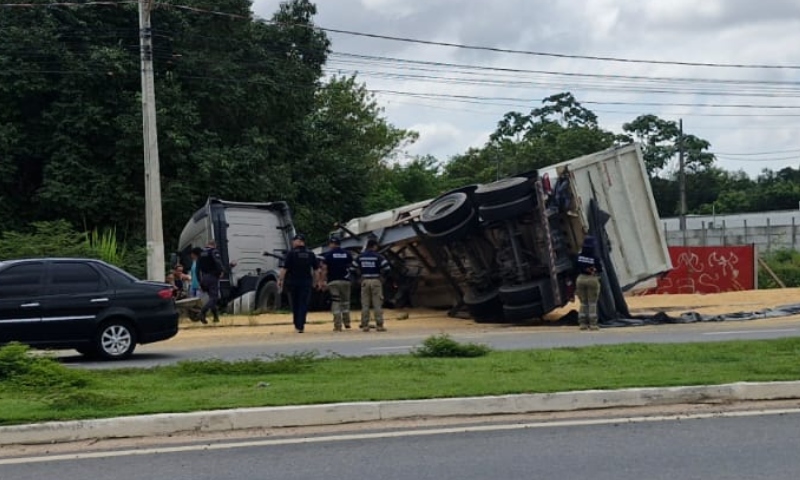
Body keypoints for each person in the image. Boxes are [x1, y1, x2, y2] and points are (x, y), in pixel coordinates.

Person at [278, 233, 320, 333]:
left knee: (295, 303)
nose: (293, 243)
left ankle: (297, 324)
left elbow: (284, 269)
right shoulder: (310, 253)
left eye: (294, 241)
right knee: (303, 304)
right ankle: (301, 325)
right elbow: (316, 270)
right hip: (306, 282)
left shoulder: (291, 253)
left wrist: (280, 280)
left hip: (293, 282)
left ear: (299, 241)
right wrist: (316, 282)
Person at [352, 238, 391, 332]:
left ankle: (365, 325)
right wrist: (383, 278)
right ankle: (379, 325)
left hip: (364, 281)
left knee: (365, 304)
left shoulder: (360, 257)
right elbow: (387, 268)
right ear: (374, 246)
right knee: (377, 304)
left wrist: (358, 278)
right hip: (376, 281)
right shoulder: (379, 257)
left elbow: (352, 269)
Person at [319, 236, 354, 332]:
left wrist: (322, 282)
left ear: (332, 244)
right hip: (346, 281)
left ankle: (338, 325)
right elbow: (352, 267)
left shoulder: (328, 255)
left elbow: (324, 269)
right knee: (346, 302)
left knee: (336, 302)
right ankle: (347, 323)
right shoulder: (347, 254)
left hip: (333, 282)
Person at [575, 235, 602, 331]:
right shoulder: (595, 257)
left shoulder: (579, 256)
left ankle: (582, 324)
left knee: (583, 303)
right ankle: (593, 324)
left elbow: (575, 267)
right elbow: (600, 269)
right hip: (591, 279)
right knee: (592, 303)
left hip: (580, 279)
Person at [197, 239, 224, 324]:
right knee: (214, 298)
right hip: (212, 277)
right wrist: (222, 271)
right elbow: (218, 263)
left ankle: (216, 317)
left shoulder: (200, 254)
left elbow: (197, 269)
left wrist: (199, 281)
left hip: (204, 277)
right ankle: (202, 312)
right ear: (214, 245)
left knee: (211, 298)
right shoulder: (214, 251)